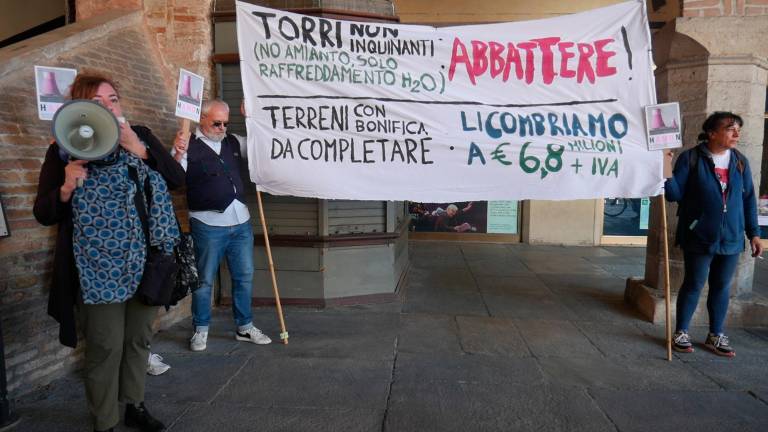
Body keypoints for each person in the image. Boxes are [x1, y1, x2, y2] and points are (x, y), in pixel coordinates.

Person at [34, 72, 184, 432]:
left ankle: (133, 404)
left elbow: (177, 180)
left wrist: (139, 148)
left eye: (113, 99)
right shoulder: (63, 149)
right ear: (81, 110)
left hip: (143, 261)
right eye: (97, 102)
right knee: (105, 346)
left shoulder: (140, 135)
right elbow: (44, 212)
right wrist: (67, 186)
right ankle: (105, 419)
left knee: (138, 340)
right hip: (95, 267)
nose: (108, 107)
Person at [172, 99, 272, 351]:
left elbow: (263, 145)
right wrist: (177, 152)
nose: (222, 128)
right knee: (204, 280)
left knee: (244, 276)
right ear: (202, 119)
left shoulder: (233, 142)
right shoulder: (188, 145)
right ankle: (201, 329)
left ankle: (245, 327)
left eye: (225, 123)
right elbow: (173, 174)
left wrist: (252, 119)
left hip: (241, 222)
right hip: (208, 224)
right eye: (217, 123)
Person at [664, 111, 763, 357]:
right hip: (699, 235)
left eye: (738, 128)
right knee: (694, 284)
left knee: (721, 286)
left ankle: (715, 334)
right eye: (730, 128)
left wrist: (754, 233)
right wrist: (664, 168)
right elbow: (673, 194)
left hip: (731, 237)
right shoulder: (691, 158)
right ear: (712, 133)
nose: (736, 133)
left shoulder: (740, 161)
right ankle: (681, 332)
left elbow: (749, 199)